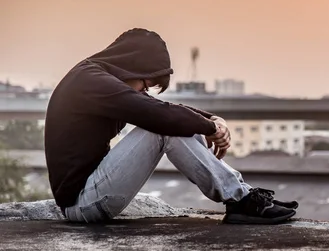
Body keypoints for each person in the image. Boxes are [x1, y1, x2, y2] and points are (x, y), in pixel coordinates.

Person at [44, 28, 298, 224]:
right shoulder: (90, 81)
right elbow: (157, 114)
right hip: (81, 203)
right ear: (131, 65)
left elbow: (159, 108)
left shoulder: (97, 79)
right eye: (146, 83)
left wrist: (211, 120)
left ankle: (242, 195)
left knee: (168, 123)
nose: (145, 90)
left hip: (91, 193)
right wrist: (210, 128)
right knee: (163, 128)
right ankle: (241, 199)